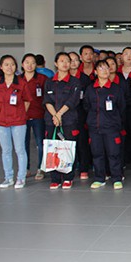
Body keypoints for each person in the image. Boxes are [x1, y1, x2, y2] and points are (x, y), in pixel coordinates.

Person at [0, 55, 32, 189]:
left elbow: (27, 101)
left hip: (18, 121)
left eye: (12, 64)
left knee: (20, 149)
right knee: (6, 150)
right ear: (1, 67)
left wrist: (20, 113)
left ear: (16, 67)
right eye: (6, 64)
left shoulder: (21, 83)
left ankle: (21, 178)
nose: (9, 67)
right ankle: (8, 177)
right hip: (1, 121)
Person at [83, 60, 127, 190]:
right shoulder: (90, 89)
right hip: (95, 127)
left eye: (107, 68)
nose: (105, 71)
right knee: (97, 154)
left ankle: (116, 178)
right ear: (95, 72)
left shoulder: (116, 89)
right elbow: (86, 106)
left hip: (111, 127)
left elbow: (122, 107)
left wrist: (115, 121)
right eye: (101, 68)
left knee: (114, 153)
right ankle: (99, 178)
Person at [43, 52, 81, 189]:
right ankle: (55, 177)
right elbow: (47, 100)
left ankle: (68, 177)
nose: (65, 63)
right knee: (53, 148)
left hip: (69, 120)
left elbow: (72, 101)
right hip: (51, 120)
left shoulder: (75, 82)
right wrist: (55, 116)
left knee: (68, 148)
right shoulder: (49, 82)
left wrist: (59, 115)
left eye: (67, 61)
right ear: (56, 63)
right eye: (62, 61)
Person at [20, 53, 48, 180]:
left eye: (32, 63)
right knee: (23, 143)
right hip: (22, 116)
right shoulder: (18, 79)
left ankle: (41, 168)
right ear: (22, 64)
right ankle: (25, 168)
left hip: (39, 115)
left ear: (36, 65)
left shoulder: (42, 79)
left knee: (40, 143)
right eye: (27, 62)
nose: (30, 65)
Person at [68, 51, 93, 180]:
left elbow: (88, 98)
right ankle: (69, 167)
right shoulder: (62, 78)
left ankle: (84, 168)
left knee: (82, 142)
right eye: (70, 60)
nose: (73, 63)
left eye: (76, 60)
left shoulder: (84, 79)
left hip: (81, 114)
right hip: (66, 115)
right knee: (68, 143)